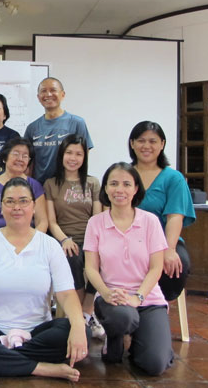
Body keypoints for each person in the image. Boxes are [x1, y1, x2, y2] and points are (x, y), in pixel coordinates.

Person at [0, 177, 89, 382]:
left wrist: (78, 327)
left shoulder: (49, 245)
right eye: (10, 201)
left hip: (37, 332)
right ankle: (41, 368)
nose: (17, 207)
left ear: (34, 206)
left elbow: (66, 294)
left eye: (23, 201)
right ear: (2, 206)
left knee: (78, 330)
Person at [84, 162, 172, 376]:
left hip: (148, 299)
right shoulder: (95, 223)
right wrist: (105, 292)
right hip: (112, 299)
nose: (119, 190)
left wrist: (138, 297)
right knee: (124, 317)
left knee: (155, 364)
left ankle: (140, 342)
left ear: (136, 189)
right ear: (105, 188)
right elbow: (91, 268)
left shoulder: (150, 222)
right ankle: (114, 338)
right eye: (113, 183)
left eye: (126, 184)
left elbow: (156, 267)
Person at [129, 121, 195, 301]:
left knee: (176, 265)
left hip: (164, 242)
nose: (146, 146)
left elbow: (175, 217)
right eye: (141, 141)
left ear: (162, 144)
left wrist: (169, 249)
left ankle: (155, 309)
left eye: (153, 141)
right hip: (128, 240)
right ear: (132, 143)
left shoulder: (173, 178)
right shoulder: (124, 174)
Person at [44, 134, 103, 337]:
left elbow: (97, 219)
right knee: (73, 257)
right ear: (61, 155)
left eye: (78, 154)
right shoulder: (51, 184)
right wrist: (64, 239)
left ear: (84, 157)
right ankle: (77, 314)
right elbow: (52, 222)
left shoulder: (93, 183)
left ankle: (86, 310)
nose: (73, 158)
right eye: (69, 152)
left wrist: (92, 243)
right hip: (64, 238)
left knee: (103, 258)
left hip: (90, 237)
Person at [24, 77, 93, 186]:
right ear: (38, 97)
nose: (48, 94)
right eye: (44, 91)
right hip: (40, 188)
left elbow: (84, 156)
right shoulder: (32, 128)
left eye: (53, 90)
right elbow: (29, 163)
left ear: (62, 94)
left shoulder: (77, 123)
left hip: (68, 188)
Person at [0, 137, 48, 234]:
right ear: (4, 157)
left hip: (28, 238)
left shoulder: (35, 185)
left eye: (25, 156)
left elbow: (42, 221)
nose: (20, 159)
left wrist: (33, 242)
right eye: (16, 154)